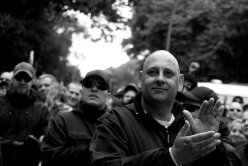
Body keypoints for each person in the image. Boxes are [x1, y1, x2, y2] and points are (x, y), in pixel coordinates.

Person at [89, 50, 241, 166]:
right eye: (153, 72)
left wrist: (210, 147)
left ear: (180, 82)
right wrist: (171, 157)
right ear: (141, 80)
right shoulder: (113, 123)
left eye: (168, 73)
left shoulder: (195, 122)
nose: (160, 79)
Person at [40, 69, 111, 166]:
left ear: (108, 96)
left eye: (101, 85)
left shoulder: (116, 125)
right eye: (89, 84)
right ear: (82, 91)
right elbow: (48, 157)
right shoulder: (61, 121)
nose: (94, 89)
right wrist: (88, 150)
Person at [0, 62, 49, 166]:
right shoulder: (1, 103)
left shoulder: (42, 110)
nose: (22, 82)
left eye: (27, 79)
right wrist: (11, 144)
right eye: (19, 77)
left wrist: (39, 141)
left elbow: (47, 139)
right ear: (13, 79)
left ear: (33, 82)